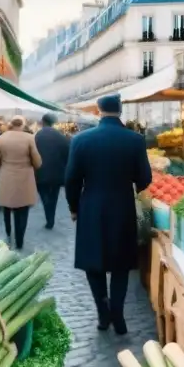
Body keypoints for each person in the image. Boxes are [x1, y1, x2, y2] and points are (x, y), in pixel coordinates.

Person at [66, 94, 152, 334]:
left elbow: (71, 179)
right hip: (122, 206)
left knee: (94, 263)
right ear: (120, 110)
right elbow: (144, 178)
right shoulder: (135, 140)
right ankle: (118, 314)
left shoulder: (81, 140)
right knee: (121, 264)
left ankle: (103, 314)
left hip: (91, 206)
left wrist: (74, 207)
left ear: (98, 110)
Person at [0, 116, 42, 250]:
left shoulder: (0, 139)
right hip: (25, 178)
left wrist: (5, 162)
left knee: (7, 208)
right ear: (23, 125)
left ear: (10, 124)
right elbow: (37, 162)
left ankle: (8, 232)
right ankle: (20, 240)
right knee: (23, 210)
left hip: (6, 176)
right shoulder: (29, 138)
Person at [34, 112, 71, 229]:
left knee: (44, 194)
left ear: (43, 122)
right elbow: (68, 155)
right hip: (57, 173)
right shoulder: (61, 137)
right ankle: (51, 218)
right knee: (54, 196)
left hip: (40, 172)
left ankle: (48, 214)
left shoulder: (36, 136)